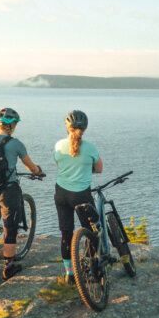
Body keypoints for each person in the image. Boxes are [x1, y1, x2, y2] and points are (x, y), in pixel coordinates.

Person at [0, 107, 44, 280]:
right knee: (10, 226)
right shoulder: (16, 144)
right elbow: (30, 166)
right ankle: (9, 266)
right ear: (12, 125)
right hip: (8, 189)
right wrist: (38, 172)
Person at [53, 109, 103, 280]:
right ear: (85, 128)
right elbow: (99, 168)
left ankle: (69, 274)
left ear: (67, 127)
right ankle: (89, 270)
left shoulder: (59, 145)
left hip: (61, 194)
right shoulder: (91, 147)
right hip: (81, 195)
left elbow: (60, 165)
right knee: (92, 231)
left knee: (66, 233)